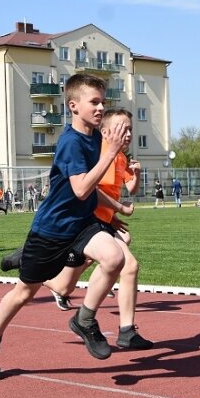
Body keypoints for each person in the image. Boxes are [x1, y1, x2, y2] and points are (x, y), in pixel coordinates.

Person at [0, 73, 130, 381]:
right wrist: (110, 154)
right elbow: (81, 189)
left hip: (83, 225)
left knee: (115, 258)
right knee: (24, 293)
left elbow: (92, 189)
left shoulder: (97, 139)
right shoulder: (70, 142)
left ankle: (84, 320)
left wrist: (114, 211)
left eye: (103, 102)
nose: (101, 108)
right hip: (52, 230)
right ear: (74, 106)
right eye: (94, 102)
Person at [42, 108, 152, 349]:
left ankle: (126, 331)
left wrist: (137, 175)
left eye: (131, 129)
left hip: (102, 222)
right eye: (123, 128)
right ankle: (113, 327)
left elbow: (130, 188)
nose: (128, 133)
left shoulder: (121, 157)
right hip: (87, 223)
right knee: (67, 282)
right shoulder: (102, 153)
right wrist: (118, 209)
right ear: (105, 131)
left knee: (67, 283)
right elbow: (91, 190)